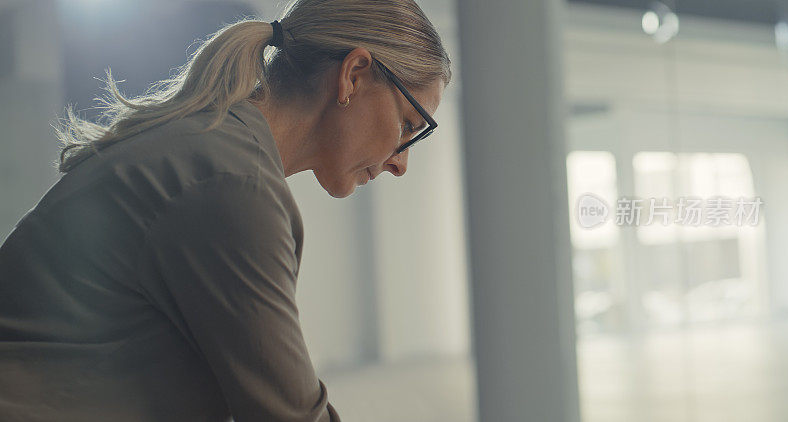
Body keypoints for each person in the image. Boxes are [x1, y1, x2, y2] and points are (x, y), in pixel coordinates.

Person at [0, 0, 451, 420]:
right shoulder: (231, 182)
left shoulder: (213, 146)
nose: (401, 163)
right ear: (353, 75)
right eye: (410, 125)